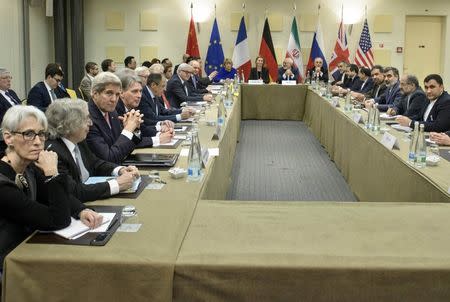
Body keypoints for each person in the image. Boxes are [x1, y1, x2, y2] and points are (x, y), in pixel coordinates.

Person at [0, 105, 102, 273]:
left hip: (26, 250)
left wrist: (81, 210)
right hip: (10, 265)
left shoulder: (27, 168)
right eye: (29, 134)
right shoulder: (3, 185)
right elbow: (58, 220)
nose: (38, 142)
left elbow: (56, 196)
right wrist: (52, 173)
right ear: (8, 138)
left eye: (41, 134)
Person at [45, 99, 140, 202]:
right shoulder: (53, 153)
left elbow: (95, 163)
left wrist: (120, 170)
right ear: (70, 124)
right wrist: (117, 184)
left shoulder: (78, 140)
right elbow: (74, 192)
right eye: (86, 119)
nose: (90, 123)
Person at [86, 72, 152, 164]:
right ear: (95, 93)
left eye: (117, 94)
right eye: (109, 93)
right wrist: (127, 130)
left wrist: (135, 129)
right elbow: (109, 158)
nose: (114, 99)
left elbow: (132, 144)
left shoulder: (112, 112)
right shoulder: (87, 118)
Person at [115, 70, 173, 143]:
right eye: (134, 91)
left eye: (140, 91)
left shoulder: (132, 107)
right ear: (121, 93)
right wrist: (158, 139)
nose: (139, 96)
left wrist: (162, 134)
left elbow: (142, 130)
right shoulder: (116, 110)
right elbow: (127, 142)